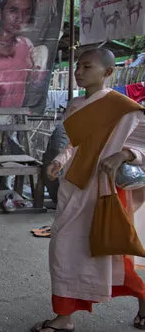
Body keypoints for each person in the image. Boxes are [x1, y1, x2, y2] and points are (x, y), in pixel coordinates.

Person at [32, 48, 145, 332]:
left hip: (104, 191)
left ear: (108, 72)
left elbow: (141, 146)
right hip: (73, 187)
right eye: (78, 66)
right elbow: (74, 144)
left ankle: (143, 299)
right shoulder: (75, 104)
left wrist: (124, 155)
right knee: (63, 250)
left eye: (87, 66)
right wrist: (60, 159)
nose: (79, 72)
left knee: (107, 254)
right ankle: (64, 316)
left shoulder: (124, 108)